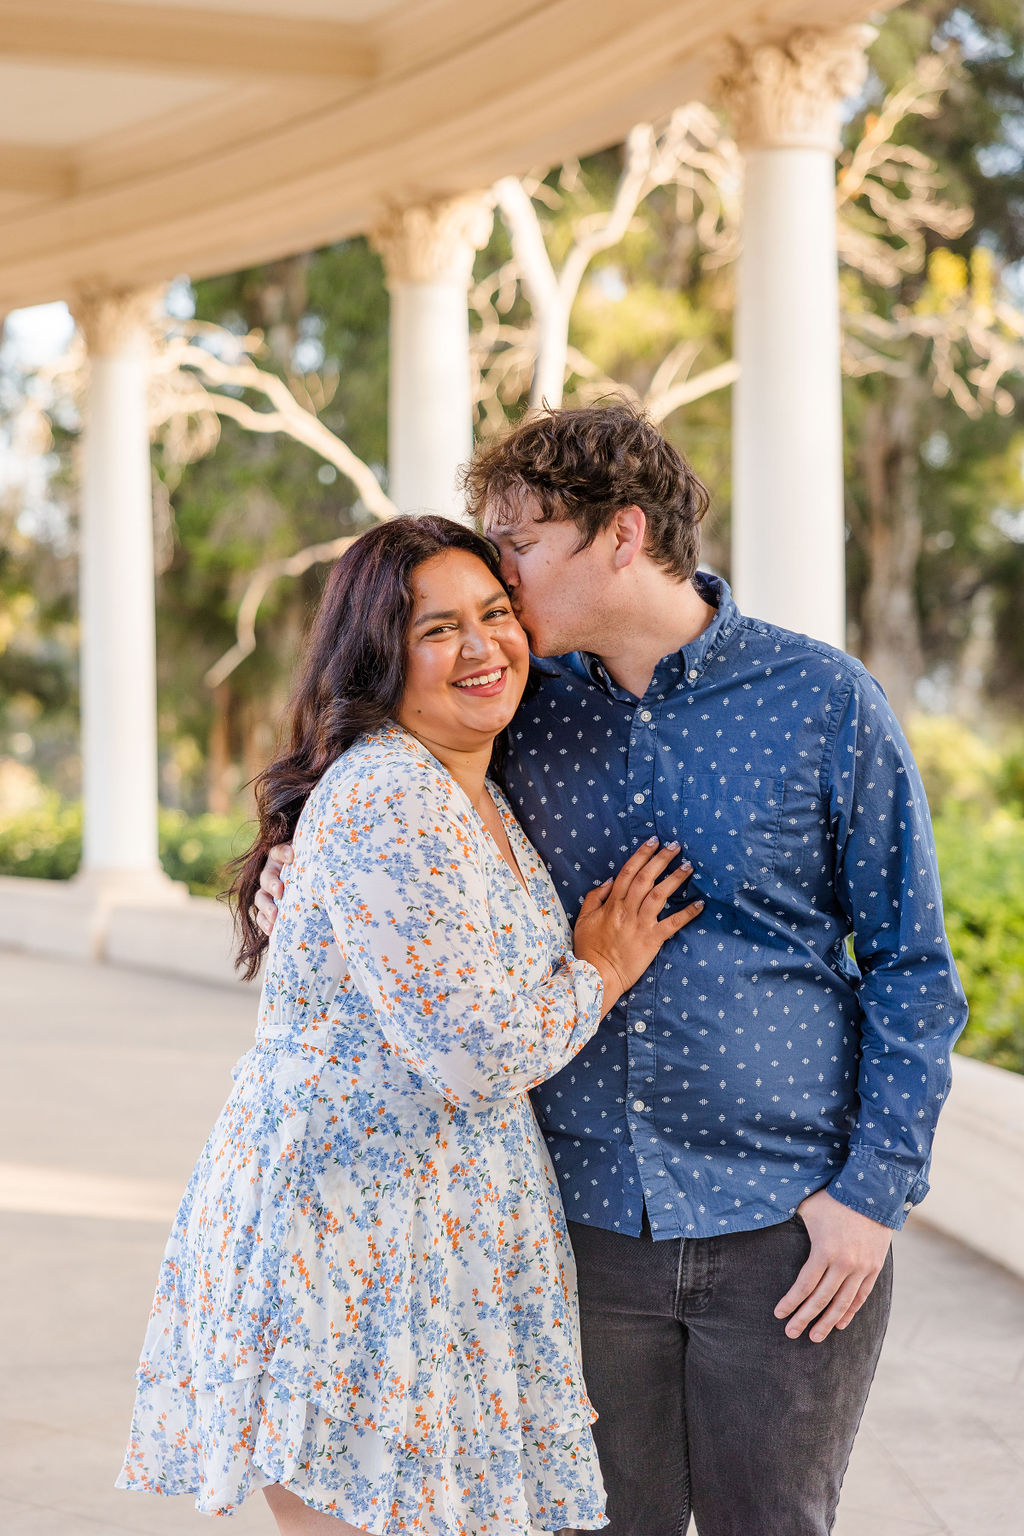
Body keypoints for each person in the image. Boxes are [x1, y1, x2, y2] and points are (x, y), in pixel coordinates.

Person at [257, 404, 968, 1536]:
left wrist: (867, 1198)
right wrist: (293, 864)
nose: (498, 580)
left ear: (622, 536)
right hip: (570, 1232)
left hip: (786, 1234)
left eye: (519, 546)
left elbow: (910, 968)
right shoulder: (513, 703)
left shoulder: (824, 703)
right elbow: (381, 783)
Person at [116, 514, 704, 1536]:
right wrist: (600, 966)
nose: (481, 648)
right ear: (379, 659)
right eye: (437, 630)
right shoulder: (392, 791)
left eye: (493, 614)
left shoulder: (466, 784)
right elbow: (476, 1054)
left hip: (425, 1245)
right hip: (345, 1243)